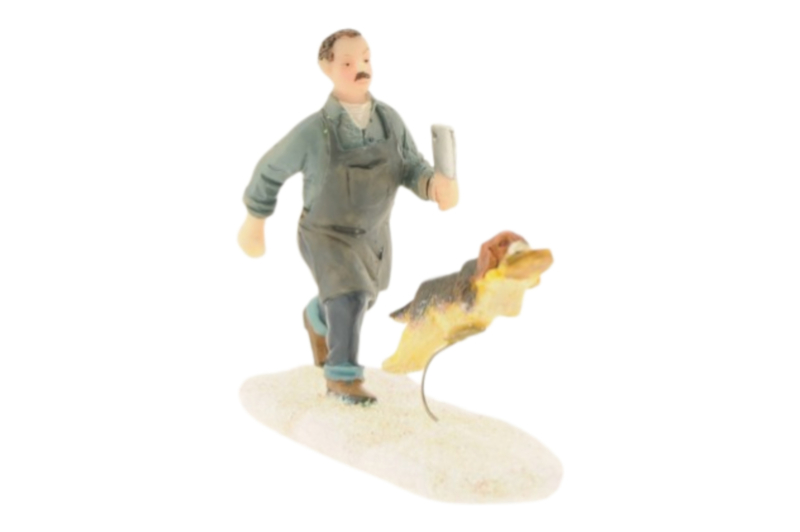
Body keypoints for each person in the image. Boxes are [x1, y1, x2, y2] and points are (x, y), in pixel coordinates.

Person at [238, 29, 458, 404]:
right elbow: (270, 168)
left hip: (373, 237)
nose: (361, 68)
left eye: (366, 59)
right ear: (326, 68)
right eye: (348, 62)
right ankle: (342, 378)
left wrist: (432, 185)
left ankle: (317, 317)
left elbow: (411, 166)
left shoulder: (389, 120)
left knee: (363, 299)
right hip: (325, 234)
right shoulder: (315, 131)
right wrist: (255, 219)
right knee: (349, 297)